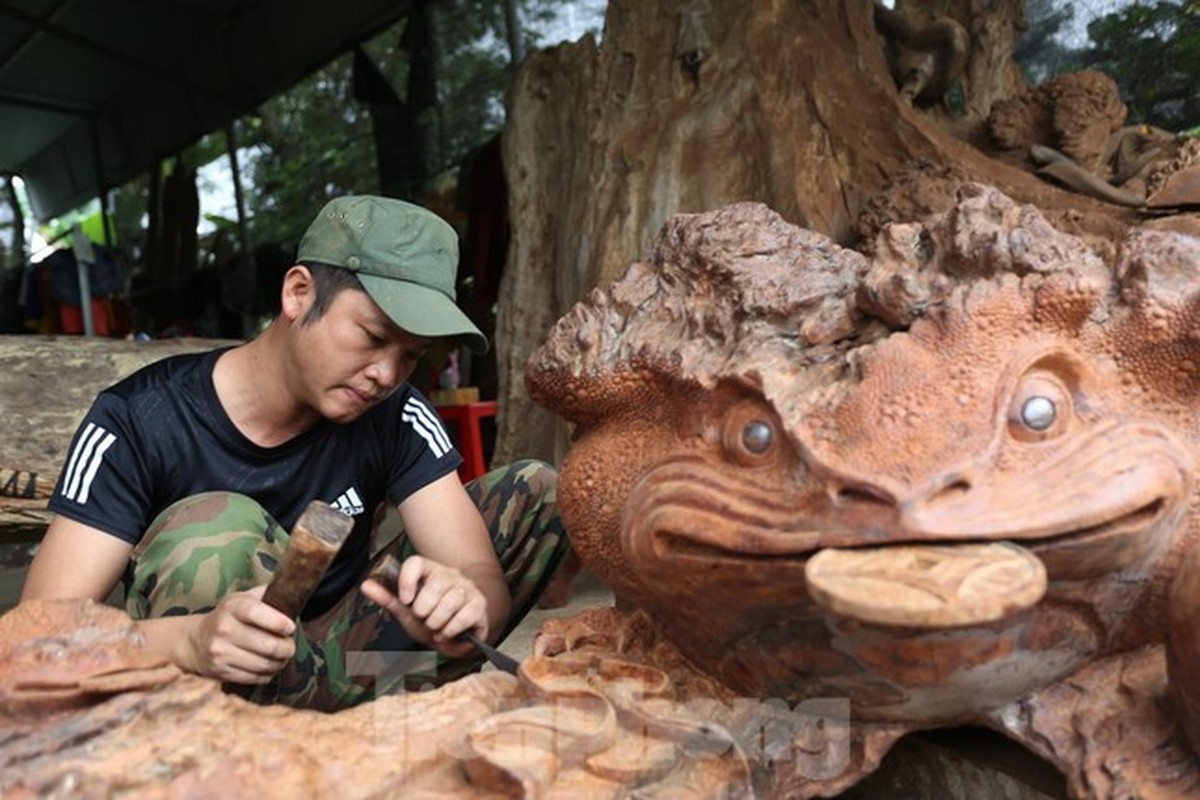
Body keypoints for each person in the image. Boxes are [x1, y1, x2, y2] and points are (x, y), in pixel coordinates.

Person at [20, 195, 569, 711]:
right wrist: (185, 642)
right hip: (211, 683)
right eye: (374, 337)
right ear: (298, 294)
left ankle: (375, 721)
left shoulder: (395, 411)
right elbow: (37, 636)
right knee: (213, 524)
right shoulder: (135, 421)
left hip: (357, 667)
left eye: (411, 355)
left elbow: (480, 575)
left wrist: (463, 607)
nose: (386, 374)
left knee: (536, 491)